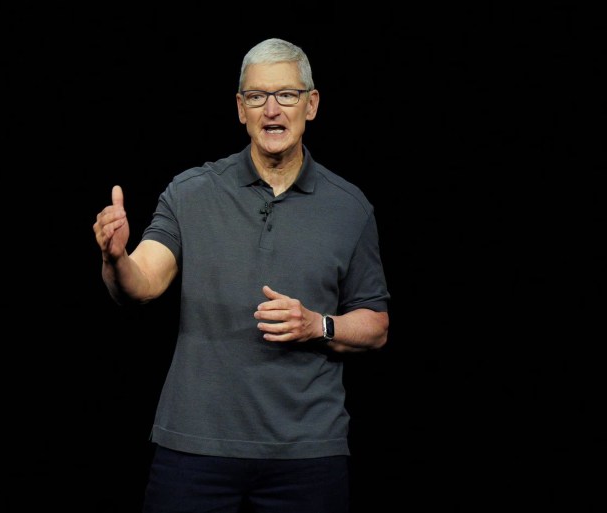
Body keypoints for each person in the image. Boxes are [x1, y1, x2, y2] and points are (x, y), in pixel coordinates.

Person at [93, 37, 390, 513]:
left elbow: (375, 325)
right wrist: (115, 259)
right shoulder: (190, 193)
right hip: (195, 449)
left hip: (307, 454)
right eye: (257, 96)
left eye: (287, 95)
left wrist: (318, 325)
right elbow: (142, 284)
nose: (272, 109)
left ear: (310, 105)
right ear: (240, 108)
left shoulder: (349, 207)